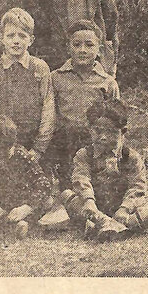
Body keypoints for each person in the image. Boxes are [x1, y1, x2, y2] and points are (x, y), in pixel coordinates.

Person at [61, 98, 148, 240]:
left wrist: (124, 209)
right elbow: (81, 177)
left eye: (111, 132)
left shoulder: (131, 157)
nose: (103, 137)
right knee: (67, 195)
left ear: (123, 132)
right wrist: (88, 200)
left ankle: (107, 227)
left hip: (121, 207)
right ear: (90, 130)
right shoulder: (85, 154)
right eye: (98, 131)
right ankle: (107, 224)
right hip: (94, 207)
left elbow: (137, 186)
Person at [0, 114, 63, 240]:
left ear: (13, 145)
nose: (0, 160)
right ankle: (5, 221)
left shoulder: (22, 156)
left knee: (48, 202)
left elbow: (43, 184)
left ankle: (8, 223)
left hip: (19, 204)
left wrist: (27, 207)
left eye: (5, 154)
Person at [49, 19, 121, 185]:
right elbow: (49, 116)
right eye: (76, 44)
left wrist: (114, 156)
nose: (82, 50)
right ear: (68, 47)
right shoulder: (56, 78)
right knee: (65, 189)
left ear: (99, 49)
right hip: (64, 145)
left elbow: (117, 123)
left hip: (96, 144)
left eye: (89, 45)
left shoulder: (108, 83)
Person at [0, 8, 55, 157]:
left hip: (32, 145)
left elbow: (48, 108)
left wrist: (38, 148)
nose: (16, 41)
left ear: (31, 40)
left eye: (22, 36)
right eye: (11, 35)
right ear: (1, 38)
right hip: (1, 148)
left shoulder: (39, 68)